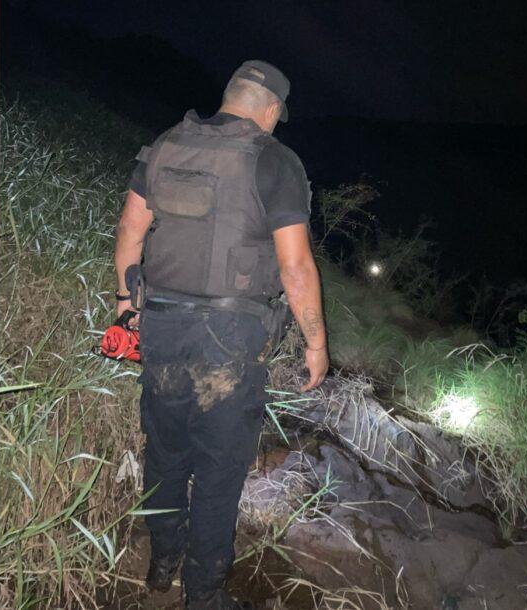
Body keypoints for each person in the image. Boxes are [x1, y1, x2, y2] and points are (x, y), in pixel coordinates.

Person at [112, 60, 329, 609]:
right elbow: (296, 267)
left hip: (160, 324)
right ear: (272, 110)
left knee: (164, 452)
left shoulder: (165, 143)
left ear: (230, 96)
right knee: (218, 469)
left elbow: (130, 230)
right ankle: (203, 596)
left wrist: (124, 304)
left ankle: (162, 563)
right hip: (229, 341)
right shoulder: (275, 160)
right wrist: (316, 343)